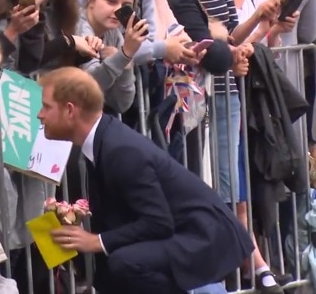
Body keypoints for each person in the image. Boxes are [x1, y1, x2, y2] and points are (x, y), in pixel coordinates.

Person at [37, 66, 254, 293]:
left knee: (125, 263)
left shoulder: (119, 150)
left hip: (204, 237)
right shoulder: (104, 139)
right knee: (105, 272)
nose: (39, 115)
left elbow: (158, 223)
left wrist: (96, 241)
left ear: (70, 111)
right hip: (186, 232)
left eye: (46, 107)